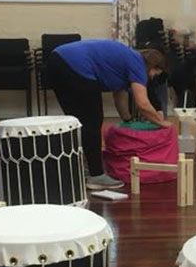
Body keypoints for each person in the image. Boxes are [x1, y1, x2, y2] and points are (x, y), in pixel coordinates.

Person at [48, 39, 172, 190]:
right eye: (156, 73)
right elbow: (143, 104)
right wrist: (161, 122)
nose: (154, 77)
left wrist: (127, 119)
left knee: (78, 122)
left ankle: (80, 168)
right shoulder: (138, 64)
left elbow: (119, 96)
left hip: (56, 61)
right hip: (75, 66)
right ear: (153, 67)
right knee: (92, 122)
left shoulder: (127, 60)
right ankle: (96, 176)